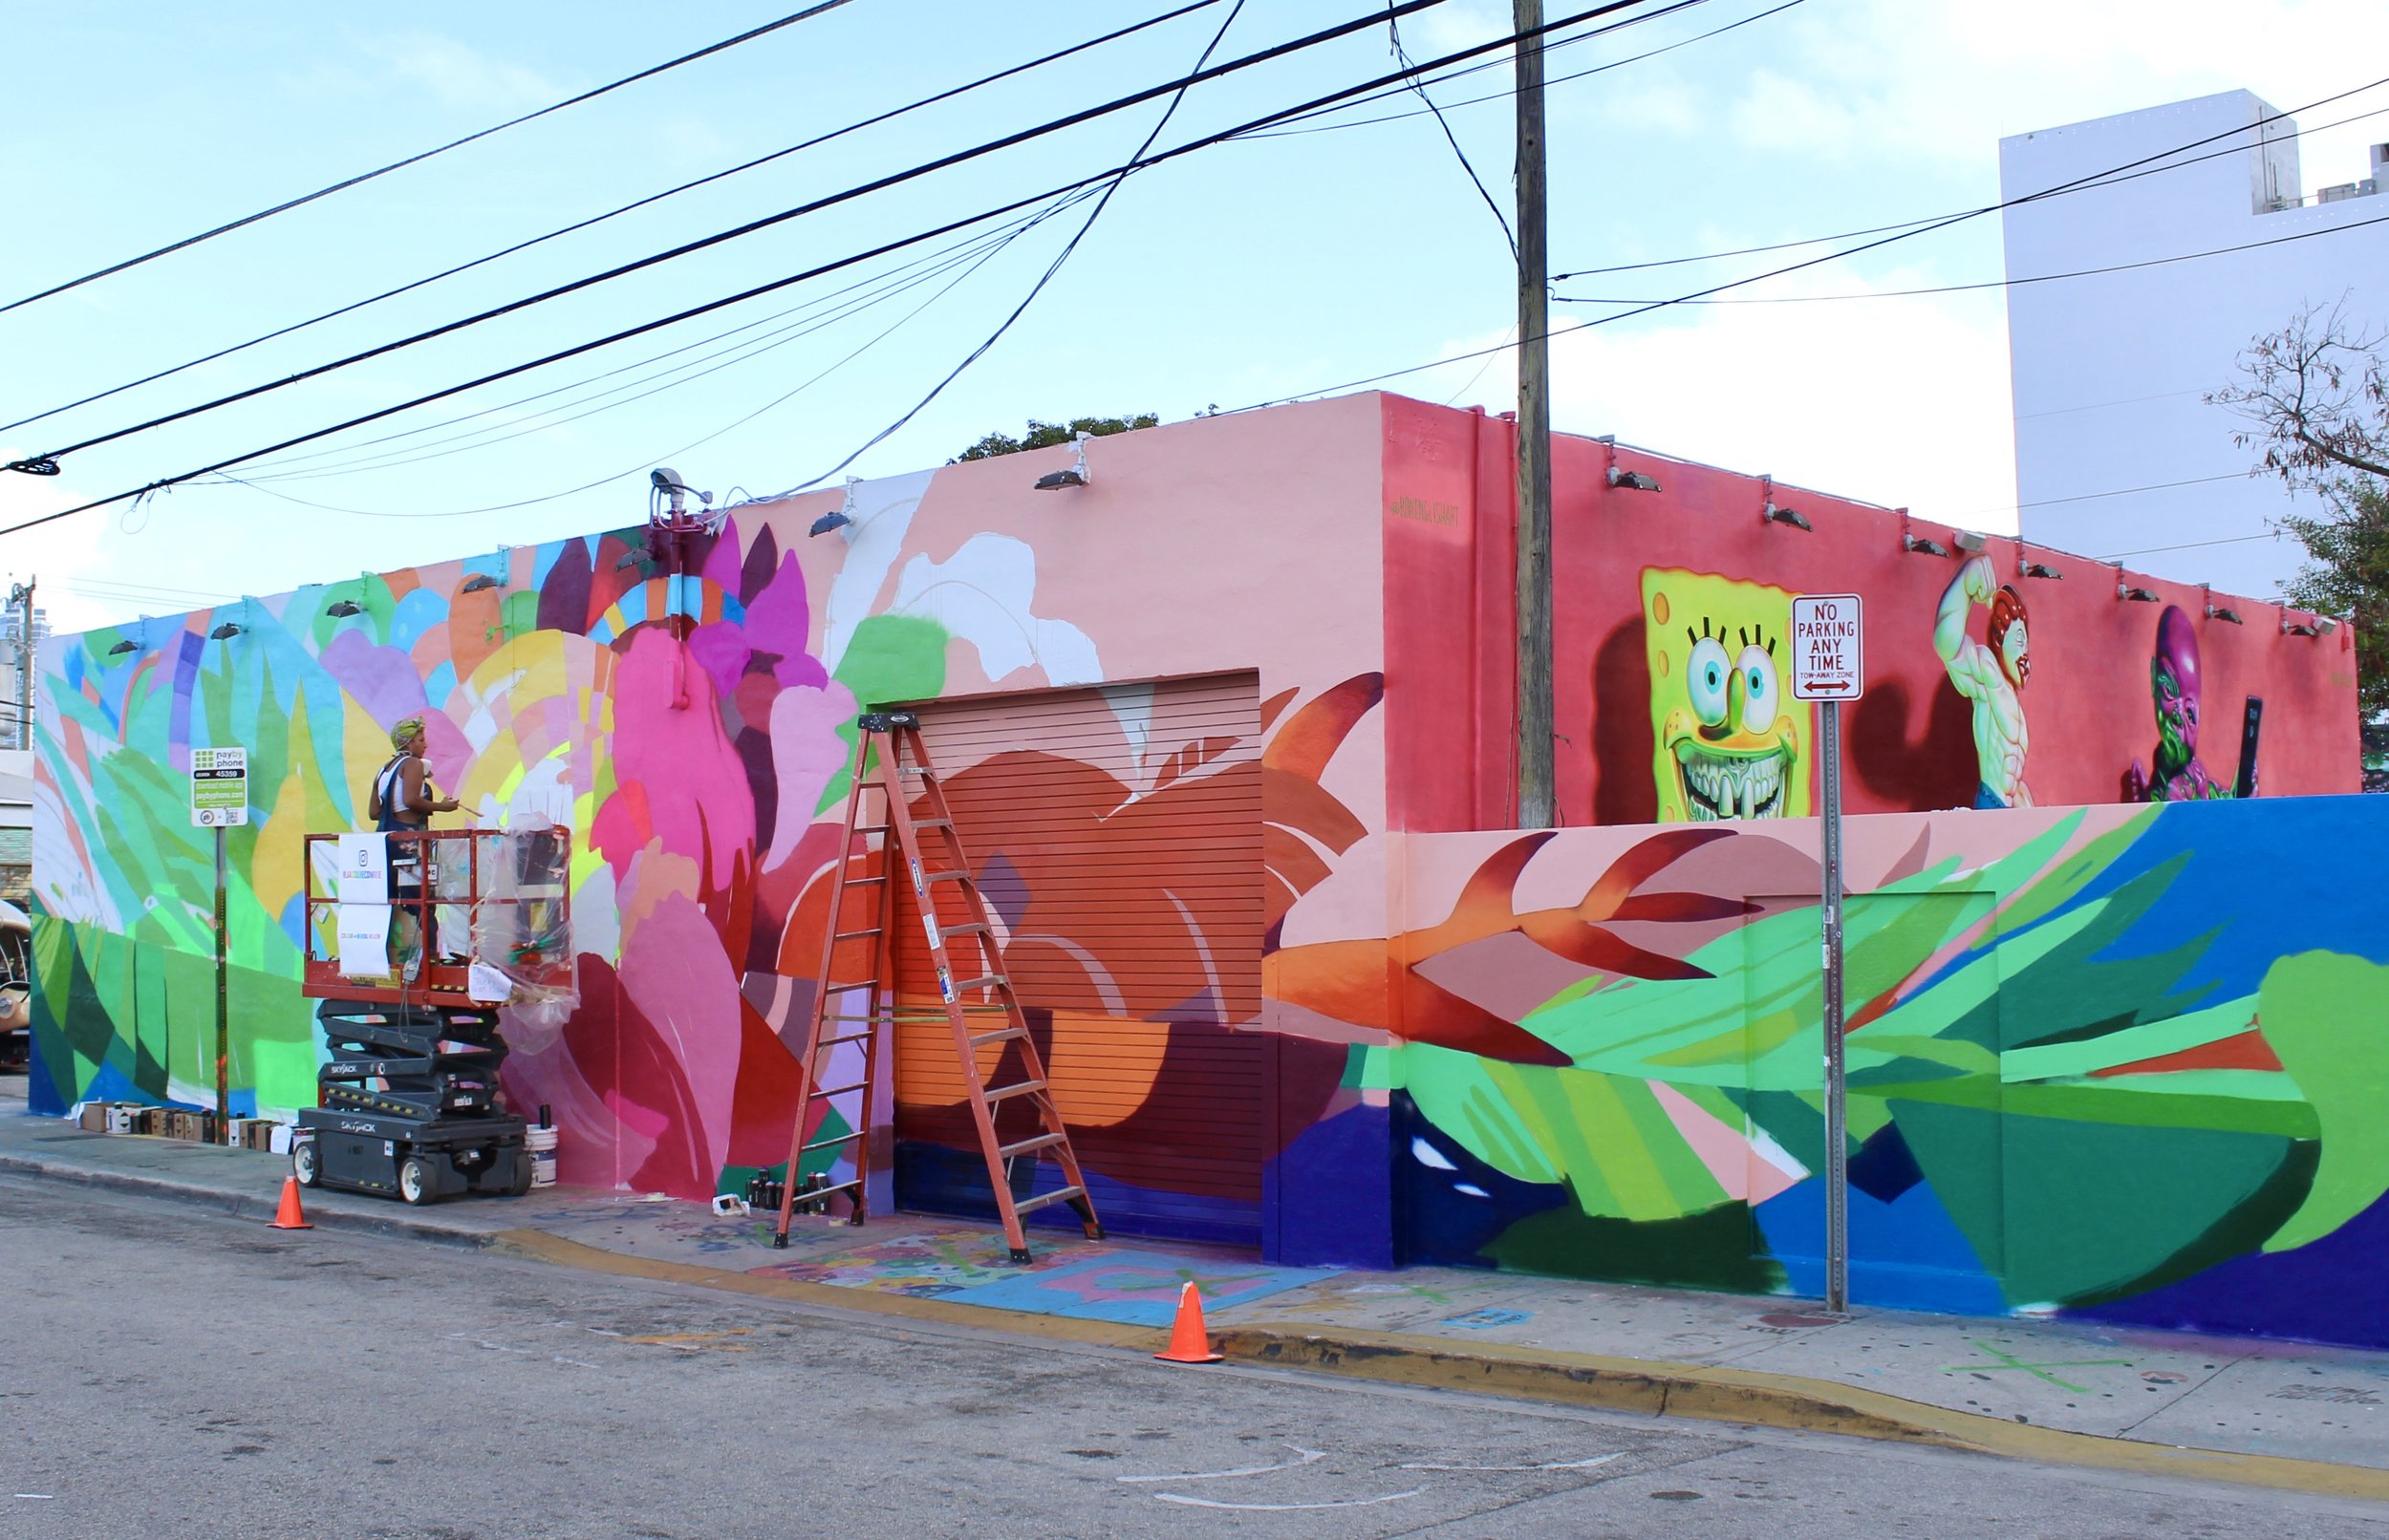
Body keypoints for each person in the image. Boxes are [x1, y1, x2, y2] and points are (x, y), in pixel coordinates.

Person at [1935, 555, 2033, 809]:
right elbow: (1949, 646)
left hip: (2008, 808)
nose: (2025, 652)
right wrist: (1965, 584)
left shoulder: (2013, 699)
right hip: (1992, 804)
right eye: (2020, 641)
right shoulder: (1989, 675)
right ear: (2001, 640)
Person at [367, 717, 460, 973]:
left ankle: (387, 960)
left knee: (391, 902)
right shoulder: (413, 764)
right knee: (422, 903)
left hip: (383, 843)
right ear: (408, 742)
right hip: (409, 843)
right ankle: (428, 962)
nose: (425, 745)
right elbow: (411, 800)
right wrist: (443, 806)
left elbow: (374, 812)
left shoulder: (384, 769)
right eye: (421, 740)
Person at [2124, 605, 2244, 802]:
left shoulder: (2195, 779)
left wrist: (2242, 793)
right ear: (2153, 678)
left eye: (2190, 714)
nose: (2178, 714)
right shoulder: (2164, 766)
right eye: (2169, 690)